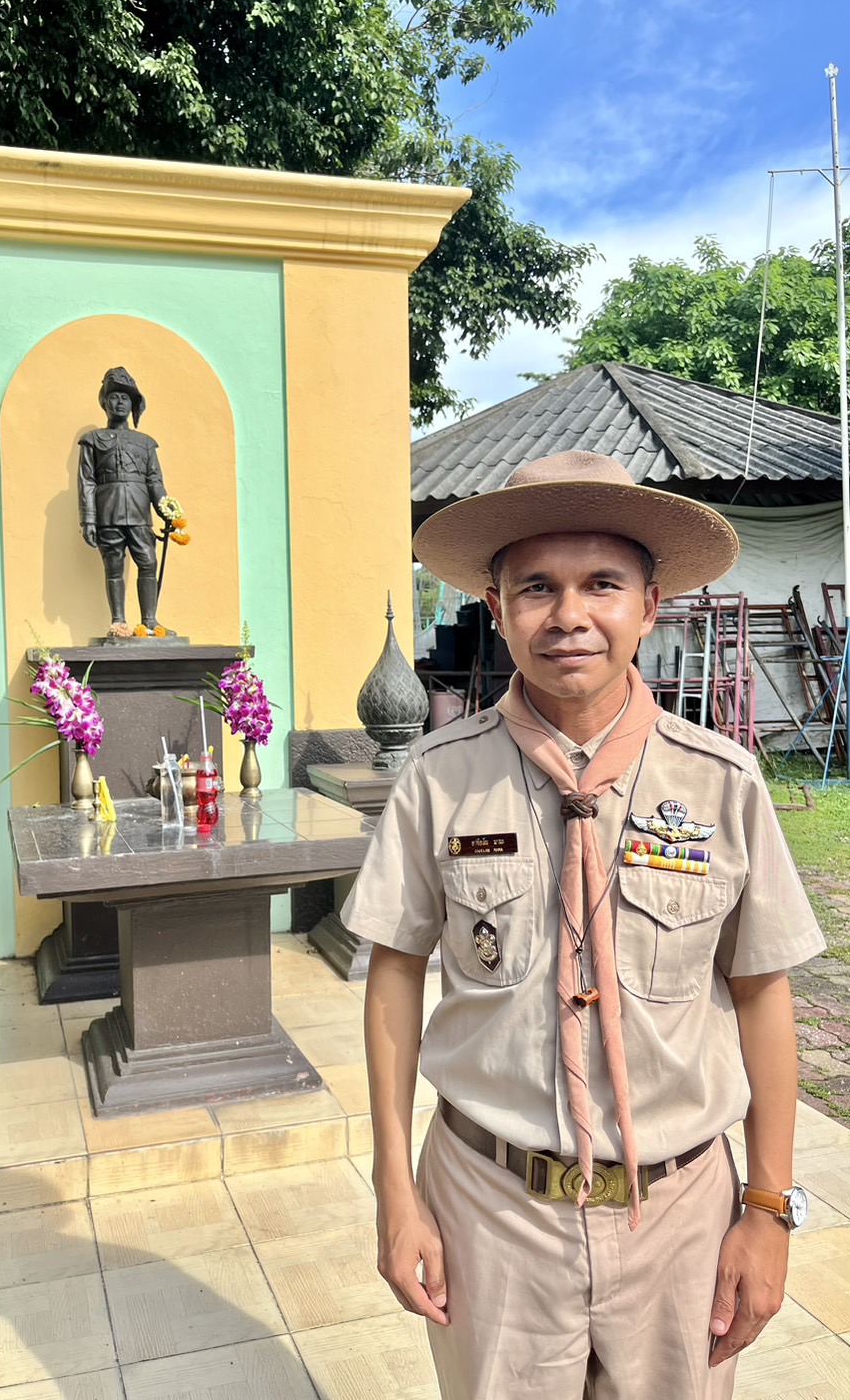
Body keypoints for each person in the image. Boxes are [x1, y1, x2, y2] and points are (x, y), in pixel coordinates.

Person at [341, 450, 824, 1400]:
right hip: (489, 1208)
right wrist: (394, 1191)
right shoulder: (439, 779)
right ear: (495, 605)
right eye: (536, 587)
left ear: (649, 606)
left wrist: (767, 1208)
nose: (568, 615)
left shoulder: (721, 783)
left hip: (678, 1212)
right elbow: (394, 974)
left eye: (601, 583)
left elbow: (761, 992)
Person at [78, 366, 172, 635]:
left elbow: (154, 480)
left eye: (125, 398)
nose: (119, 402)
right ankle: (118, 621)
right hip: (108, 512)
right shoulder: (93, 440)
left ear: (133, 405)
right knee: (114, 566)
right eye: (114, 397)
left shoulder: (146, 443)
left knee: (148, 563)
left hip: (140, 512)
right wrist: (88, 519)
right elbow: (86, 481)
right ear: (104, 403)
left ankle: (150, 620)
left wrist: (167, 511)